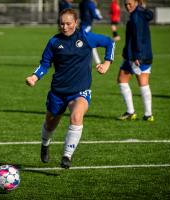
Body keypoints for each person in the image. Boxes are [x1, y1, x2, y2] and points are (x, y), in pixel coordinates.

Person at [26, 9, 115, 169]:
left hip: (80, 90)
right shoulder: (54, 42)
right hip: (58, 91)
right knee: (50, 122)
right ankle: (45, 144)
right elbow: (45, 63)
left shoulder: (86, 37)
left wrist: (107, 62)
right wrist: (34, 77)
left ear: (76, 23)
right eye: (61, 23)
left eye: (68, 23)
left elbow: (109, 42)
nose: (65, 27)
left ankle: (67, 156)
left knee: (76, 116)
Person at [117, 0, 154, 122]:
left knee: (139, 82)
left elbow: (137, 36)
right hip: (139, 54)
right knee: (125, 79)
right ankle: (146, 114)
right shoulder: (141, 12)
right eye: (126, 4)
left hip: (137, 56)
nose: (127, 6)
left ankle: (135, 113)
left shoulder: (136, 15)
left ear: (137, 2)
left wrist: (138, 56)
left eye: (130, 3)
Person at [79, 0, 103, 65]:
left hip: (82, 25)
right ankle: (97, 62)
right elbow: (95, 15)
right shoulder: (90, 3)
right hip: (87, 26)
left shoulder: (81, 3)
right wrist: (99, 15)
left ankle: (97, 61)